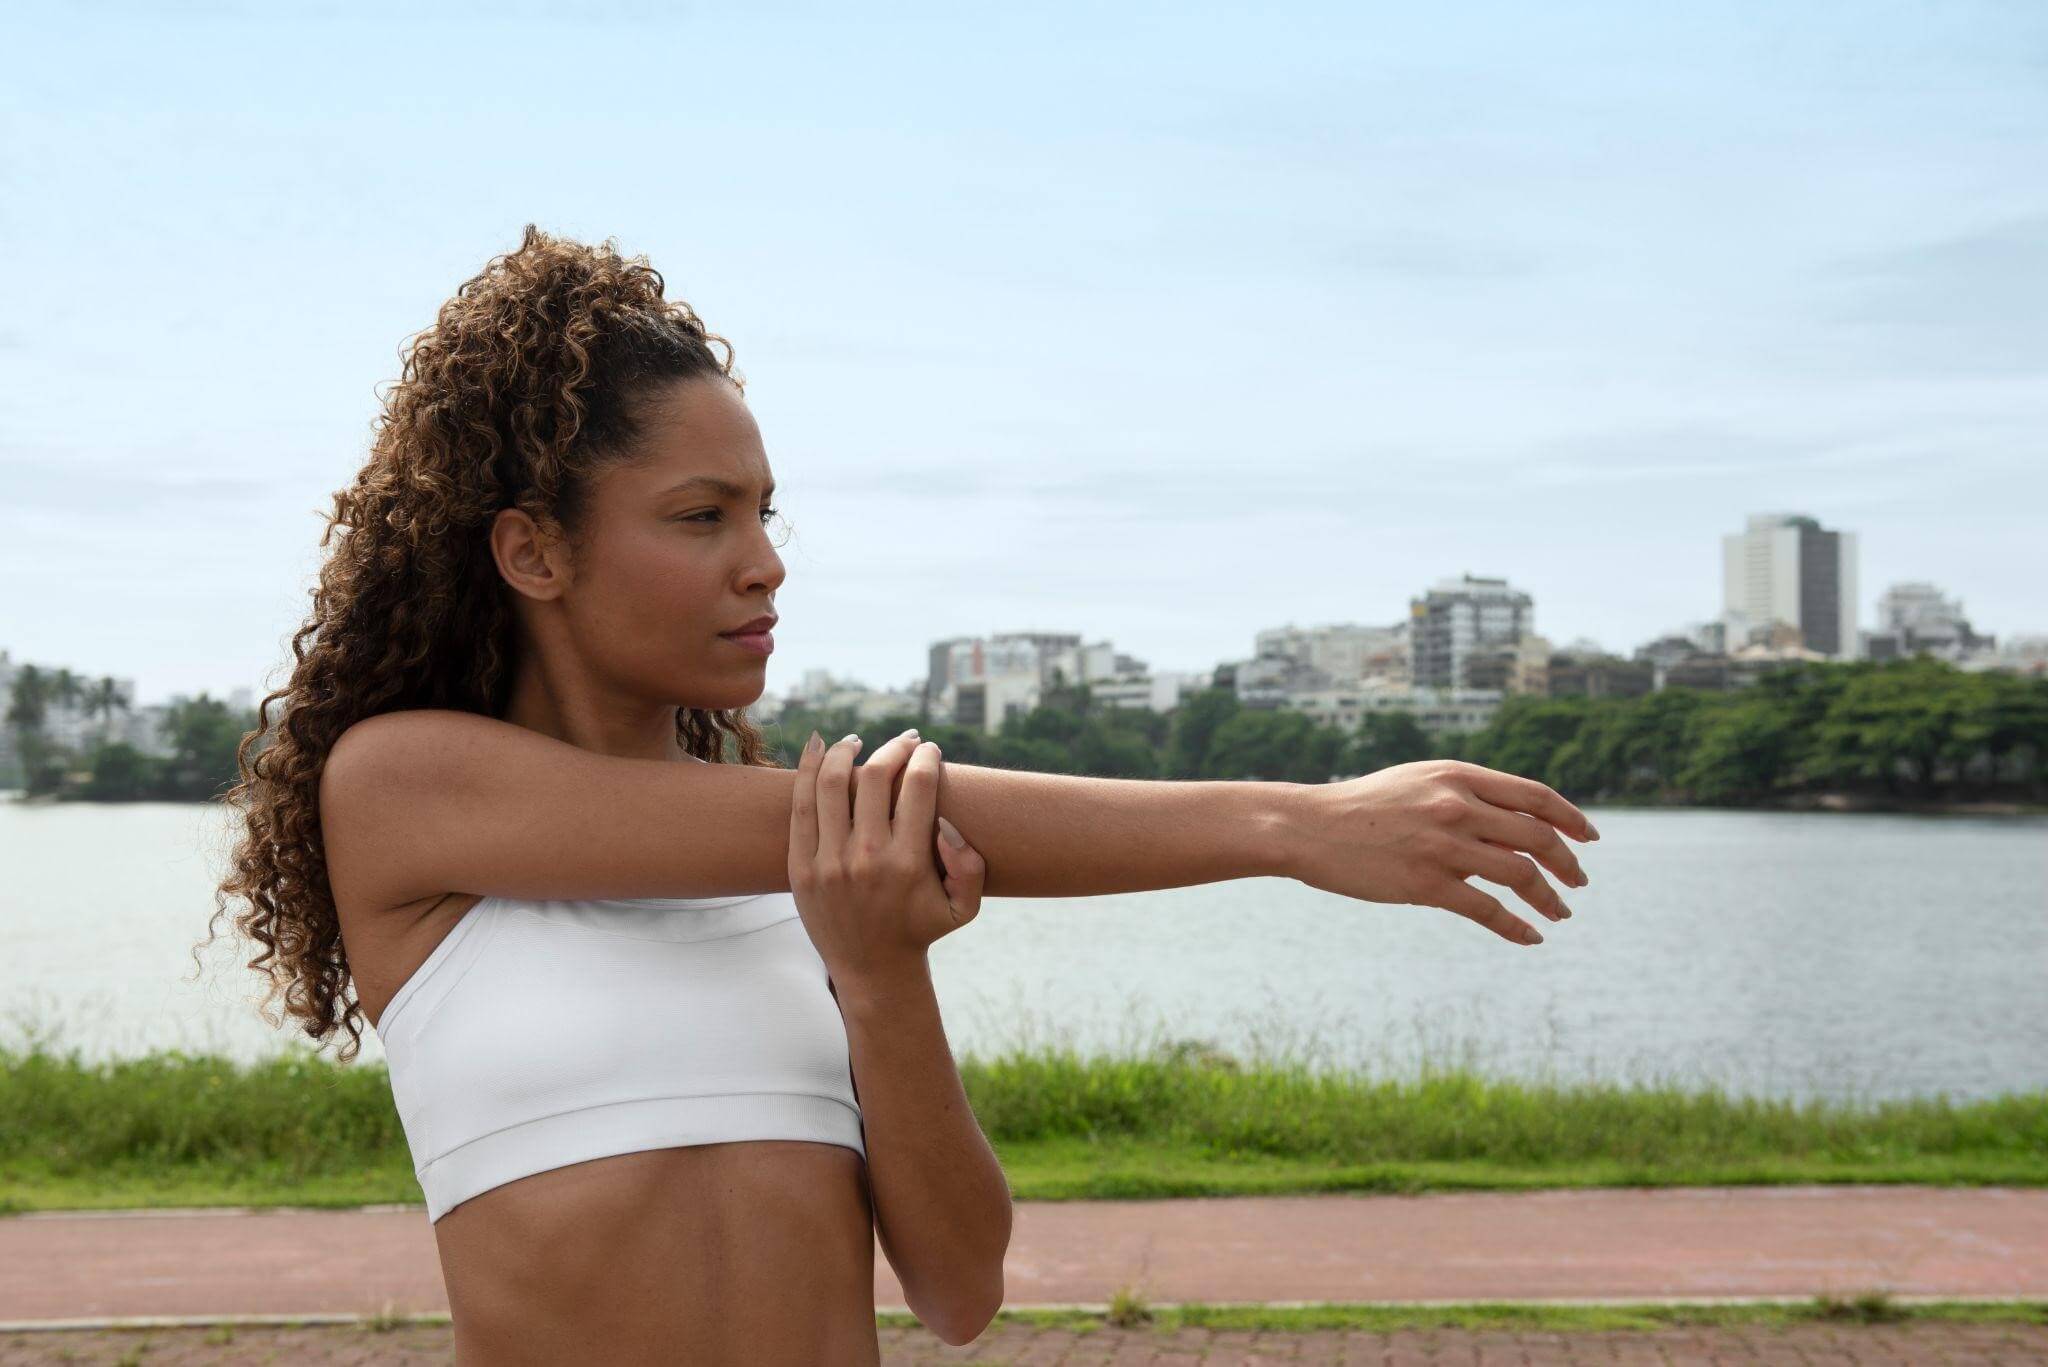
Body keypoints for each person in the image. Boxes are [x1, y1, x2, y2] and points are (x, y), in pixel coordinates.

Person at [202, 223, 1598, 1364]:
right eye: (702, 517)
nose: (764, 563)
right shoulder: (407, 784)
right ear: (533, 552)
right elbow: (904, 807)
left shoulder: (797, 879)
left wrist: (878, 977)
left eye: (765, 512)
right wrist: (1300, 823)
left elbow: (958, 1290)